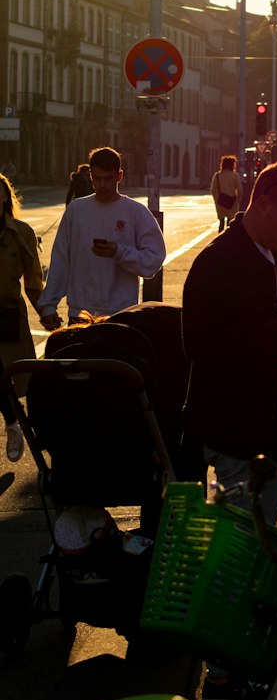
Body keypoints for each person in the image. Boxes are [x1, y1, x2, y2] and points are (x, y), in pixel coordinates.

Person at [181, 161, 277, 525]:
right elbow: (200, 345)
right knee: (243, 548)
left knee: (244, 545)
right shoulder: (218, 261)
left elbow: (276, 335)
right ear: (263, 204)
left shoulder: (274, 258)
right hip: (241, 428)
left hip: (267, 424)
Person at [37, 146, 166, 330]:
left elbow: (153, 260)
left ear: (119, 176)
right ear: (90, 175)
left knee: (114, 359)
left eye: (108, 178)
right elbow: (61, 259)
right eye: (97, 178)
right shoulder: (76, 210)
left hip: (122, 313)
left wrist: (120, 252)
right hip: (80, 313)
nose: (102, 184)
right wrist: (49, 303)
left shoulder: (135, 212)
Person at [0, 174, 45, 463]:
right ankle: (13, 422)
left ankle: (14, 423)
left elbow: (34, 280)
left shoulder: (21, 233)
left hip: (6, 315)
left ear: (4, 197)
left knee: (8, 378)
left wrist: (47, 312)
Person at [210, 154, 242, 232]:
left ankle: (219, 239)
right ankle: (227, 240)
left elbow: (213, 189)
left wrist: (217, 199)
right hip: (232, 203)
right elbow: (240, 189)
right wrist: (238, 200)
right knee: (230, 223)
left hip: (220, 202)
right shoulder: (235, 176)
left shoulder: (217, 175)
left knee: (221, 222)